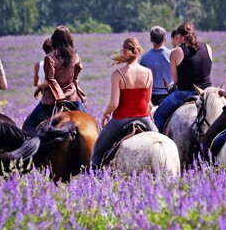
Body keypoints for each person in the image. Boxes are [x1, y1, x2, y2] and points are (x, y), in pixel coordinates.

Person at [91, 37, 156, 168]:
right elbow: (147, 100)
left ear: (125, 52)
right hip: (144, 118)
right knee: (160, 142)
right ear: (138, 51)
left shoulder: (118, 74)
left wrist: (105, 114)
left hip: (121, 118)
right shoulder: (148, 73)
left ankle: (94, 176)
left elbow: (114, 104)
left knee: (97, 150)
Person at [22, 26, 87, 135]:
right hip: (72, 97)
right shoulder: (76, 57)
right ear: (69, 40)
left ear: (54, 40)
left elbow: (51, 80)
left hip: (51, 100)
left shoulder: (50, 57)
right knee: (88, 122)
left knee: (30, 124)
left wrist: (57, 95)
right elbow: (75, 78)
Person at [153, 22, 213, 132]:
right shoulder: (207, 47)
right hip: (207, 92)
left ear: (180, 36)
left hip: (185, 92)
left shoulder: (176, 51)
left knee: (158, 116)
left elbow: (176, 80)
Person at [139, 26, 172, 106]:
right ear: (165, 39)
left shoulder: (144, 58)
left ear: (151, 39)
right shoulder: (172, 55)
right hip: (169, 95)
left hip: (150, 97)